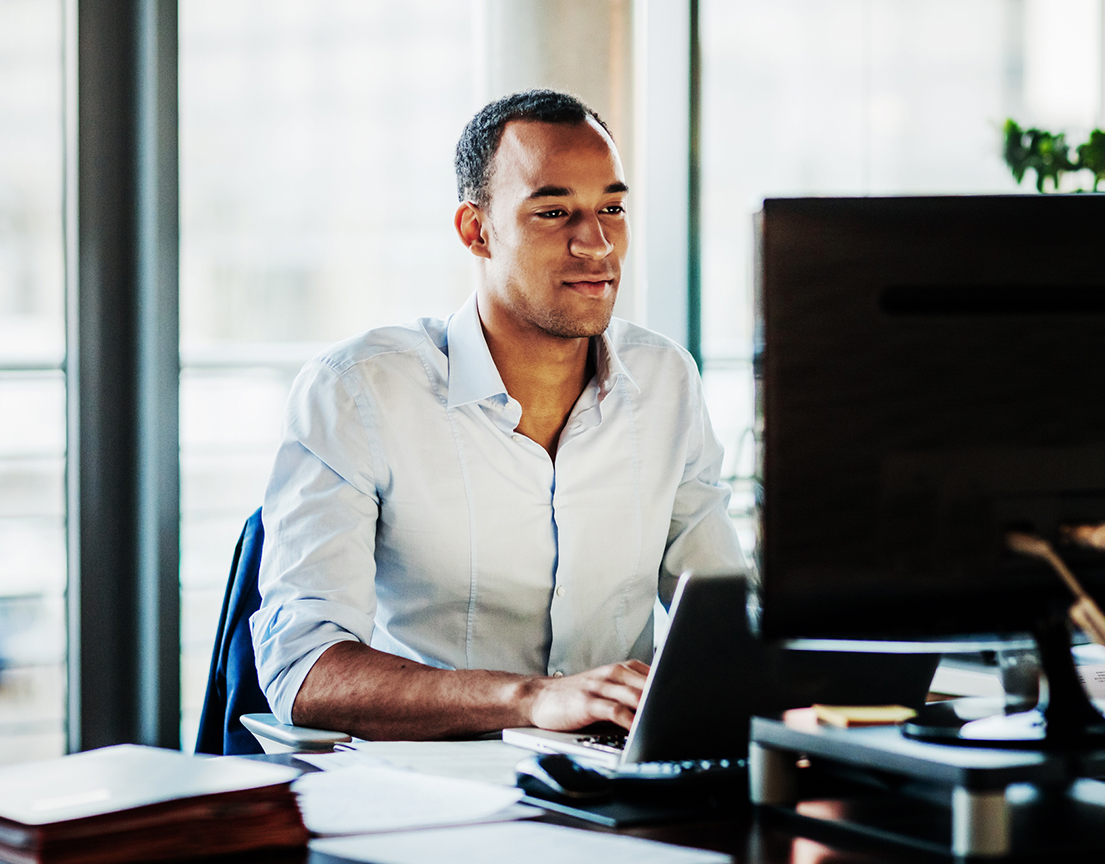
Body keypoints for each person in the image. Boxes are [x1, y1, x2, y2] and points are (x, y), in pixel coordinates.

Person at [251, 89, 744, 741]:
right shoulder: (358, 392)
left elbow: (727, 619)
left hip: (622, 777)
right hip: (439, 786)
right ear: (476, 230)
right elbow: (304, 672)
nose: (596, 243)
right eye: (553, 211)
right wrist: (532, 699)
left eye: (612, 208)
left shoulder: (664, 380)